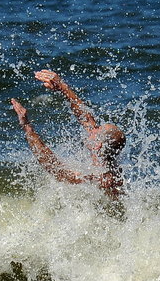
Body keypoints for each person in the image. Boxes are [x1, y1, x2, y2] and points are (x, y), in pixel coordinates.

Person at [10, 69, 125, 200]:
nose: (93, 128)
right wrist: (61, 86)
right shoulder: (103, 156)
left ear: (98, 145)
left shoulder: (104, 178)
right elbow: (86, 118)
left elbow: (55, 170)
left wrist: (27, 126)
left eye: (97, 130)